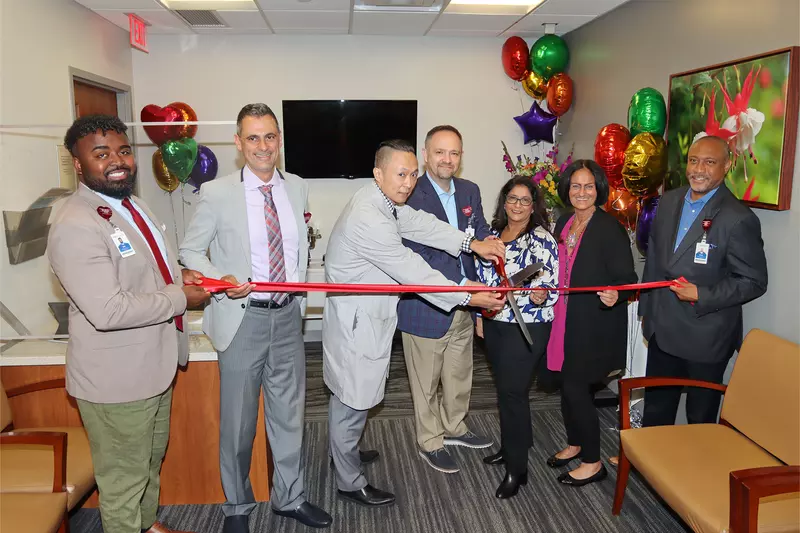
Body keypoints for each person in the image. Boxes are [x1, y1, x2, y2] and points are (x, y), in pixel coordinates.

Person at [48, 115, 210, 533]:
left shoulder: (128, 203)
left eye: (122, 150)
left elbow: (144, 269)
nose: (116, 161)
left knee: (149, 461)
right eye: (100, 154)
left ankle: (146, 525)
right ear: (79, 164)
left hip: (151, 366)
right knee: (123, 480)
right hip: (116, 380)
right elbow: (109, 310)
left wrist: (179, 276)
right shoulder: (75, 223)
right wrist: (180, 298)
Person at [323, 139, 506, 507]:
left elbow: (424, 225)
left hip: (367, 316)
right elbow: (413, 271)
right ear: (379, 174)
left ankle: (343, 455)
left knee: (352, 396)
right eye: (400, 174)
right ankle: (348, 481)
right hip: (358, 323)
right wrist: (467, 294)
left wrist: (473, 244)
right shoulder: (369, 216)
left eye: (411, 174)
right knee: (352, 399)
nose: (408, 182)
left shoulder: (384, 202)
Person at [179, 104, 330, 532]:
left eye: (269, 137)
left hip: (287, 318)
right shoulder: (218, 192)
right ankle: (237, 507)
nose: (262, 147)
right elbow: (190, 251)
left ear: (279, 140)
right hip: (241, 319)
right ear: (238, 143)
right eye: (252, 138)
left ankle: (290, 497)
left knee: (289, 416)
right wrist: (218, 278)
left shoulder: (297, 187)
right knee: (239, 424)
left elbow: (299, 250)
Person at [640, 135, 768, 427]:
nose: (699, 169)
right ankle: (649, 472)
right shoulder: (669, 201)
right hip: (662, 329)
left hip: (706, 335)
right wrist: (647, 313)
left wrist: (701, 293)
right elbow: (657, 262)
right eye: (694, 160)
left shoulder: (738, 218)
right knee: (656, 413)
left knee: (699, 420)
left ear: (727, 166)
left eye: (710, 162)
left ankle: (691, 473)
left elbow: (754, 281)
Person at [396, 125, 493, 474]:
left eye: (454, 153)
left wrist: (493, 243)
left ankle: (454, 427)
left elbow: (479, 231)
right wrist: (466, 284)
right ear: (426, 155)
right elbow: (416, 253)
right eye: (440, 152)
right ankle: (430, 441)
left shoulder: (470, 190)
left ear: (460, 157)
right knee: (425, 380)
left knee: (459, 374)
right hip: (425, 304)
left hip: (465, 304)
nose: (447, 159)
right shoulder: (408, 193)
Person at [546, 159, 637, 487]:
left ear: (598, 189)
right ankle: (575, 442)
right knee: (565, 387)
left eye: (588, 186)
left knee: (576, 387)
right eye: (575, 186)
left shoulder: (608, 228)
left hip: (594, 324)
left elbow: (628, 279)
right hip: (565, 319)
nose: (581, 192)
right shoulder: (565, 222)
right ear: (566, 190)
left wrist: (618, 295)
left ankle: (593, 461)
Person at [476, 175, 559, 498]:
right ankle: (513, 446)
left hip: (527, 325)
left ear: (534, 205)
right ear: (504, 201)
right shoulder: (494, 235)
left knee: (513, 393)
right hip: (496, 322)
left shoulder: (541, 239)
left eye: (525, 200)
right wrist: (480, 316)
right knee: (506, 390)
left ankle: (517, 468)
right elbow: (482, 279)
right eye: (512, 198)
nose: (518, 206)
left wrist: (540, 294)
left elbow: (550, 286)